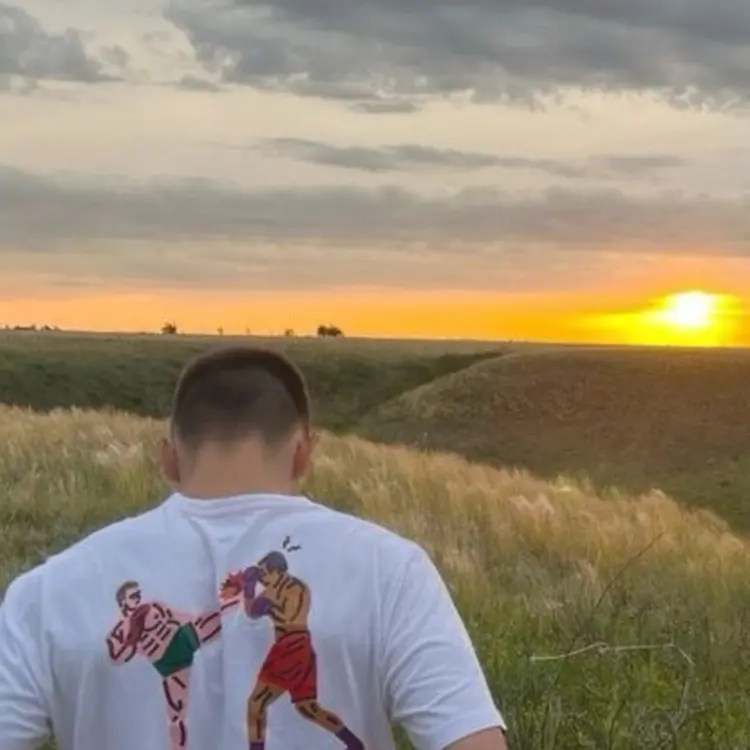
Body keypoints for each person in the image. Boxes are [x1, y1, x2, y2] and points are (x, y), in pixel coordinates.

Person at [0, 346, 507, 750]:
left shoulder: (47, 592)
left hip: (285, 652)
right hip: (272, 652)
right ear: (303, 454)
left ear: (169, 459)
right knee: (271, 707)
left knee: (276, 707)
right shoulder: (390, 570)